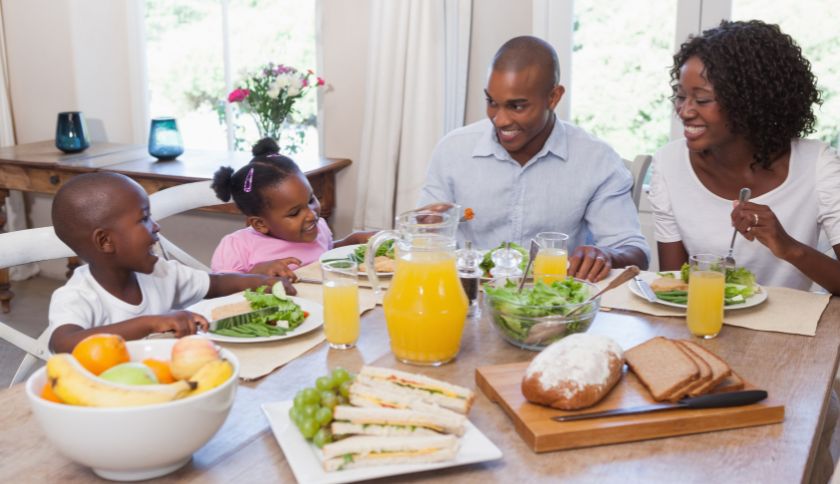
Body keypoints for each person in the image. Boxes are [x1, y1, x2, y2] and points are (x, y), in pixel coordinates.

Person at [418, 36, 649, 282]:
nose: (500, 120)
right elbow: (425, 236)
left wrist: (608, 255)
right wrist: (425, 230)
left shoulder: (597, 159)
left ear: (553, 97)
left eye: (517, 106)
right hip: (469, 298)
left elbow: (635, 251)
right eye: (492, 103)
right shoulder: (453, 150)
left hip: (554, 304)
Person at [649, 20, 840, 294]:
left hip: (792, 331)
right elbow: (676, 288)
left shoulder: (817, 166)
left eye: (702, 100)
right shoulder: (669, 164)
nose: (685, 110)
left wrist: (789, 248)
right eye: (681, 96)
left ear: (750, 102)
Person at [47, 172, 295, 353]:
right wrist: (151, 323)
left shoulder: (160, 273)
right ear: (105, 241)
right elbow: (63, 344)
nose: (156, 226)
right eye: (144, 219)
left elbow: (216, 284)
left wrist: (261, 281)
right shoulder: (78, 296)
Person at [211, 138, 372, 279]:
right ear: (260, 224)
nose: (311, 215)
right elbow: (221, 288)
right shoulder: (238, 246)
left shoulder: (318, 228)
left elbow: (326, 254)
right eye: (295, 213)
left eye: (310, 200)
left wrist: (352, 241)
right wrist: (255, 274)